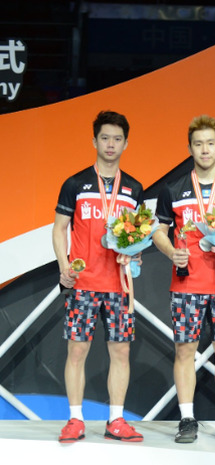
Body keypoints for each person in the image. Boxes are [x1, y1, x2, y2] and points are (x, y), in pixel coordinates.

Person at [153, 115, 215, 444]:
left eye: (211, 143)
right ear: (190, 148)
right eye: (198, 144)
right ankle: (186, 420)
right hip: (187, 284)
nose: (205, 149)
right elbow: (158, 231)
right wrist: (170, 252)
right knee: (184, 351)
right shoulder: (174, 189)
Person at [53, 110, 144, 443]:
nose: (110, 144)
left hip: (119, 286)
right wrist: (64, 265)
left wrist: (134, 255)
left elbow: (137, 235)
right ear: (94, 141)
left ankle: (116, 420)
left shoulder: (133, 188)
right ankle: (75, 420)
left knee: (120, 353)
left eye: (117, 138)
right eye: (104, 137)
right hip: (83, 285)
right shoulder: (75, 184)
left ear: (126, 143)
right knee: (77, 352)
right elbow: (59, 228)